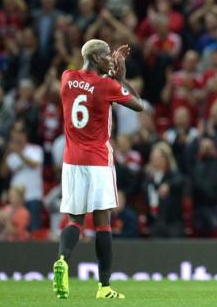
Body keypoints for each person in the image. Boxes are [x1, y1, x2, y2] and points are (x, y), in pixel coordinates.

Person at [52, 39, 144, 300]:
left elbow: (86, 86)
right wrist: (121, 77)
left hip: (71, 161)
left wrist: (109, 74)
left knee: (75, 220)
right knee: (102, 222)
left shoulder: (66, 78)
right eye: (106, 55)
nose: (110, 59)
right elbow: (139, 105)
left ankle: (62, 259)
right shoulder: (106, 86)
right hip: (98, 161)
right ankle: (104, 287)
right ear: (94, 58)